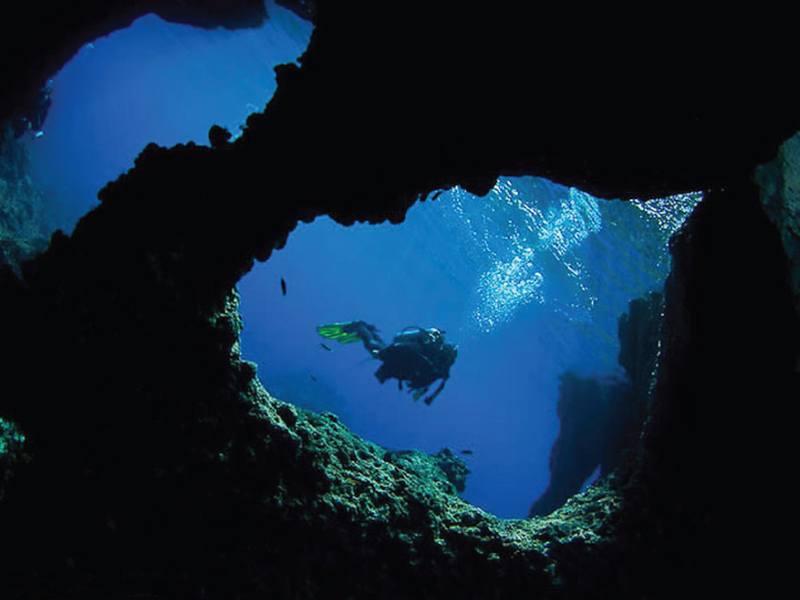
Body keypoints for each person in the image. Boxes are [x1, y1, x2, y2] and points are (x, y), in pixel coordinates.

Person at [316, 321, 457, 405]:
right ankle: (360, 326)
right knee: (372, 345)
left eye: (449, 359)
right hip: (395, 359)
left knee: (375, 347)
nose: (446, 360)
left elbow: (439, 384)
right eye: (447, 357)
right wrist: (382, 355)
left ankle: (365, 331)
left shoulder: (443, 367)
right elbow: (399, 348)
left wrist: (428, 395)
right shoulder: (421, 349)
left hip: (402, 369)